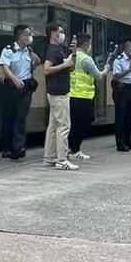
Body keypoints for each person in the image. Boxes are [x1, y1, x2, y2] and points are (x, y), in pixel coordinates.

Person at [0, 24, 41, 159]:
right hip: (11, 86)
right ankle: (7, 148)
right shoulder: (9, 50)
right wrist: (14, 79)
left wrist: (35, 63)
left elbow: (36, 62)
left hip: (26, 86)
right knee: (10, 116)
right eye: (27, 34)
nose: (30, 37)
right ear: (20, 36)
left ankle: (19, 147)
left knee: (21, 117)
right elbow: (5, 67)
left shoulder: (29, 51)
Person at [68, 33, 109, 160]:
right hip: (83, 97)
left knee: (73, 124)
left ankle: (70, 149)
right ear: (86, 44)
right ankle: (75, 150)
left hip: (71, 95)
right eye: (90, 43)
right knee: (82, 125)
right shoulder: (86, 59)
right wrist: (106, 69)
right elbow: (98, 76)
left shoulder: (72, 56)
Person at [42, 23, 78, 170]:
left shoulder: (59, 50)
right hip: (59, 93)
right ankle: (62, 160)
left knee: (53, 126)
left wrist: (73, 55)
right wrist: (64, 65)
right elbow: (46, 70)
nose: (62, 34)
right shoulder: (53, 50)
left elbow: (70, 68)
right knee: (64, 126)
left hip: (56, 92)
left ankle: (49, 157)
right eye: (60, 31)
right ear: (53, 33)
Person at [112, 39, 131, 151]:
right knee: (121, 117)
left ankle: (128, 141)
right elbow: (116, 75)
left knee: (130, 117)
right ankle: (120, 143)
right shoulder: (119, 60)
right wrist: (130, 69)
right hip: (121, 89)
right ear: (127, 48)